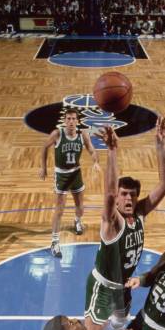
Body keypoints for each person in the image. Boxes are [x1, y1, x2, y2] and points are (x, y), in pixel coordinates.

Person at [84, 116, 165, 330]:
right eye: (124, 194)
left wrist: (161, 145)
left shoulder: (140, 213)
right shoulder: (112, 221)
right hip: (103, 287)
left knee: (120, 324)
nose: (128, 198)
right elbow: (109, 195)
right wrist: (112, 150)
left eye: (132, 194)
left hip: (123, 286)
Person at [40, 108, 100, 258]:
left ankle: (77, 221)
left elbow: (92, 150)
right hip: (61, 175)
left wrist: (95, 161)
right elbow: (44, 147)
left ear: (77, 121)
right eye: (68, 119)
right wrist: (44, 168)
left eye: (74, 119)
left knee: (80, 206)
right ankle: (54, 242)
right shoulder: (57, 134)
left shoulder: (83, 135)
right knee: (59, 209)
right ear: (64, 120)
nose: (71, 122)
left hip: (76, 173)